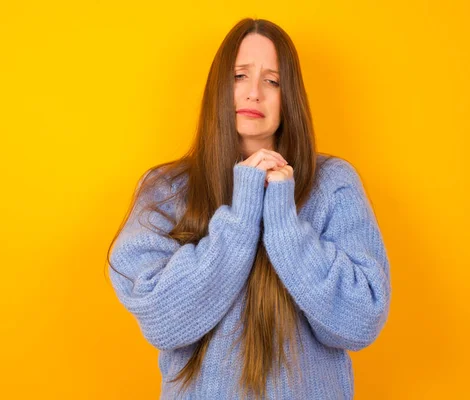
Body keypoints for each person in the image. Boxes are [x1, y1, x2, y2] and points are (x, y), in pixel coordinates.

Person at [106, 17, 391, 400]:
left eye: (272, 81)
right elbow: (163, 321)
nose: (254, 93)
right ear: (218, 87)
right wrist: (241, 219)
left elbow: (360, 321)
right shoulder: (166, 189)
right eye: (240, 76)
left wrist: (284, 224)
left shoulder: (333, 184)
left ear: (289, 98)